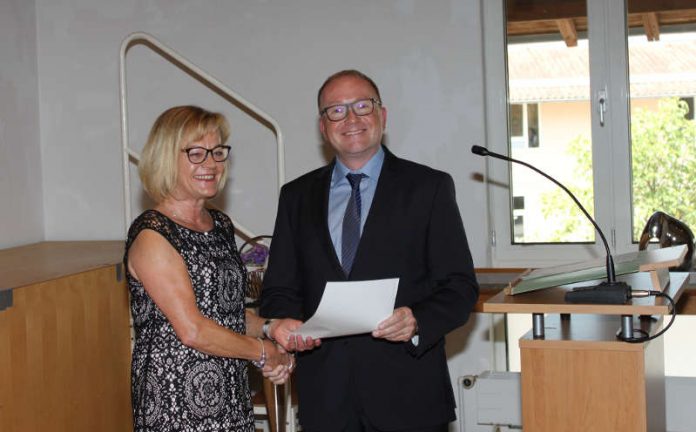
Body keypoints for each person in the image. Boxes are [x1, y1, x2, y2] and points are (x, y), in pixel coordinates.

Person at [260, 70, 479, 432]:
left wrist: (417, 320)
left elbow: (459, 286)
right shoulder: (296, 196)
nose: (351, 119)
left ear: (383, 115)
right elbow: (280, 288)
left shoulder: (429, 188)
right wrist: (286, 324)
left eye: (363, 105)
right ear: (322, 125)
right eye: (337, 110)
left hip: (410, 397)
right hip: (325, 399)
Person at [124, 105, 292, 432]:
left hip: (231, 395)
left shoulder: (219, 225)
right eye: (196, 153)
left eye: (217, 152)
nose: (212, 164)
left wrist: (271, 328)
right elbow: (193, 329)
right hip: (177, 406)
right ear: (165, 157)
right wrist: (262, 352)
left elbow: (225, 315)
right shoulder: (153, 235)